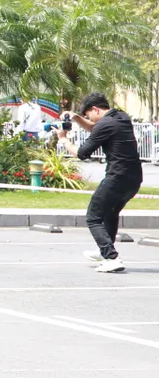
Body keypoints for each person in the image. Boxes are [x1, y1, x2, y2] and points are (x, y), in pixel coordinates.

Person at [58, 92, 143, 274]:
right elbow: (96, 127)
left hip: (117, 177)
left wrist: (63, 139)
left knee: (93, 216)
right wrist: (77, 118)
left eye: (89, 115)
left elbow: (81, 153)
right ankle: (104, 250)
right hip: (134, 178)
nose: (89, 119)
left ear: (96, 109)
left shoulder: (105, 124)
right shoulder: (121, 117)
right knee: (110, 213)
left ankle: (111, 258)